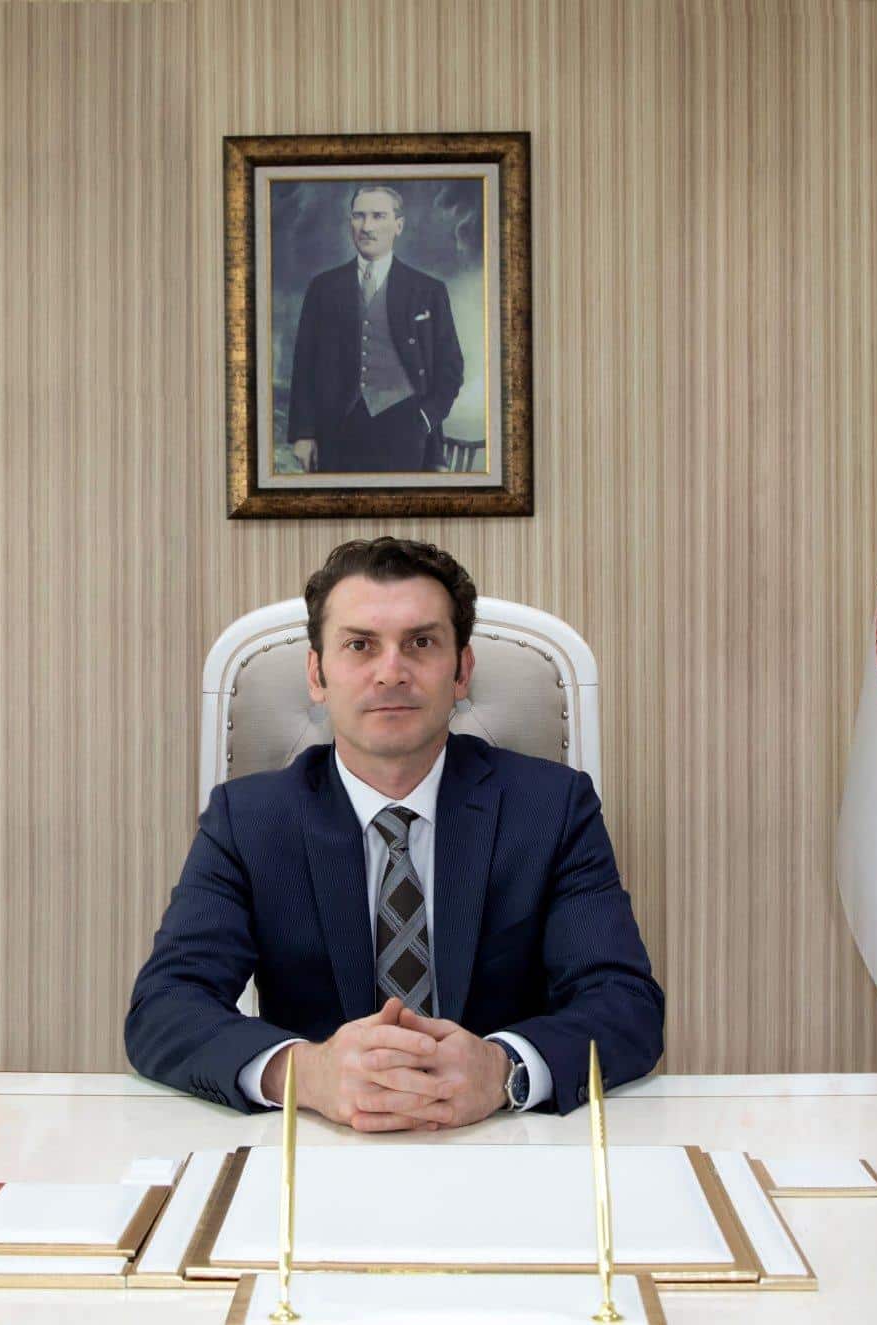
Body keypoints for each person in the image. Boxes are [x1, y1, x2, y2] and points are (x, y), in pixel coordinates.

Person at [125, 538, 663, 1130]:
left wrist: (502, 1070)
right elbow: (165, 1007)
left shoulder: (552, 808)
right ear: (317, 674)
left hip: (505, 1137)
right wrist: (305, 1072)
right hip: (317, 1140)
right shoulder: (248, 819)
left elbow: (624, 1004)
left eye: (421, 643)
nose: (390, 673)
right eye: (360, 645)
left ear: (462, 671)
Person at [287, 186, 464, 473]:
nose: (367, 227)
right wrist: (304, 433)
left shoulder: (428, 291)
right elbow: (304, 365)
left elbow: (451, 367)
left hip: (406, 432)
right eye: (359, 216)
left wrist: (425, 418)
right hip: (336, 431)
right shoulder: (323, 288)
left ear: (398, 225)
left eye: (378, 216)